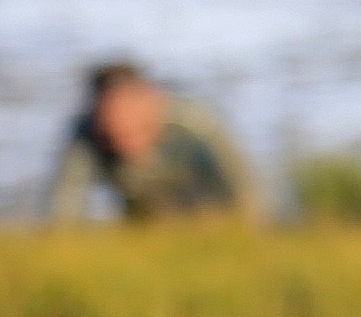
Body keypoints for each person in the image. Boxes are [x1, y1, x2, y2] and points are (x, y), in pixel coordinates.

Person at [41, 61, 259, 223]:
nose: (121, 130)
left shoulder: (195, 122)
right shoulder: (85, 134)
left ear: (150, 98)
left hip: (212, 221)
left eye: (128, 113)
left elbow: (245, 184)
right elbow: (63, 210)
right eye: (110, 121)